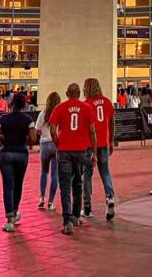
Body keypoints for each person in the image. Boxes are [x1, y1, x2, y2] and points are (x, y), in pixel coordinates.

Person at [48, 83, 96, 235]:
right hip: (81, 151)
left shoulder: (60, 108)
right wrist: (94, 151)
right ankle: (76, 216)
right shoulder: (87, 108)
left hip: (64, 151)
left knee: (65, 185)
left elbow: (52, 129)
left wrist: (58, 143)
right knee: (78, 183)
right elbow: (92, 131)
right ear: (79, 93)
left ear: (67, 93)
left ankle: (67, 220)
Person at [0, 92, 37, 232]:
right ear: (24, 104)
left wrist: (5, 139)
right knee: (18, 184)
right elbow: (33, 138)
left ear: (11, 104)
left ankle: (9, 218)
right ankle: (15, 210)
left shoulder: (3, 118)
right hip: (21, 153)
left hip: (6, 153)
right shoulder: (28, 119)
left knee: (7, 186)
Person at [82, 77, 117, 220]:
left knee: (87, 175)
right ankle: (110, 196)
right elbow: (112, 123)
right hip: (103, 143)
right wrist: (111, 141)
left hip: (89, 145)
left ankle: (88, 207)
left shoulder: (86, 104)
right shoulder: (107, 102)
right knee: (105, 172)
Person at [35, 91, 61, 211]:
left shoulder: (43, 113)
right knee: (54, 174)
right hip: (56, 144)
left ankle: (41, 197)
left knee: (44, 171)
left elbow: (37, 130)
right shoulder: (60, 113)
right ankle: (51, 202)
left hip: (44, 144)